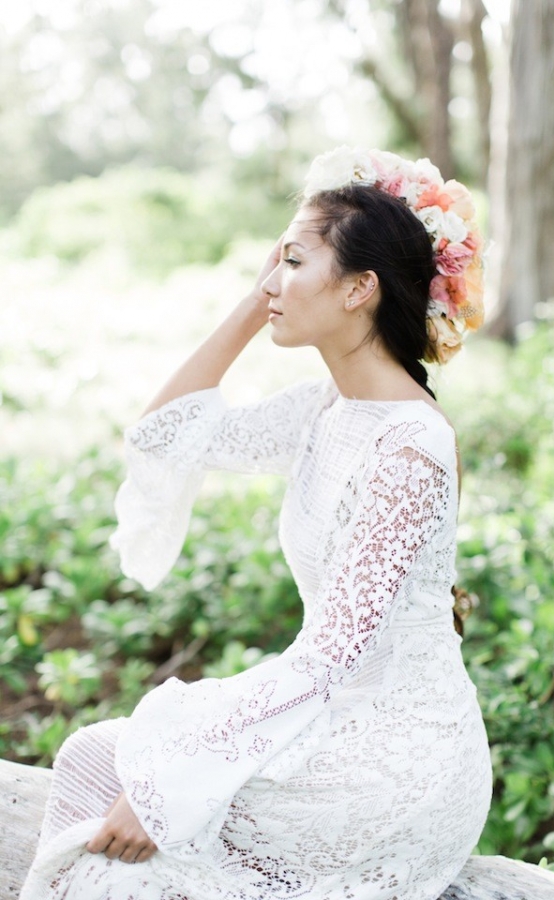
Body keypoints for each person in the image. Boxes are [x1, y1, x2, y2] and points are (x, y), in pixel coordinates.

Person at [20, 147, 492, 900]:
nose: (275, 279)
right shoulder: (323, 411)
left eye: (294, 262)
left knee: (143, 817)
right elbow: (165, 434)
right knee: (87, 757)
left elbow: (334, 656)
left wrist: (172, 780)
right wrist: (253, 302)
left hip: (397, 761)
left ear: (360, 289)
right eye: (276, 261)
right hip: (331, 716)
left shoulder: (412, 444)